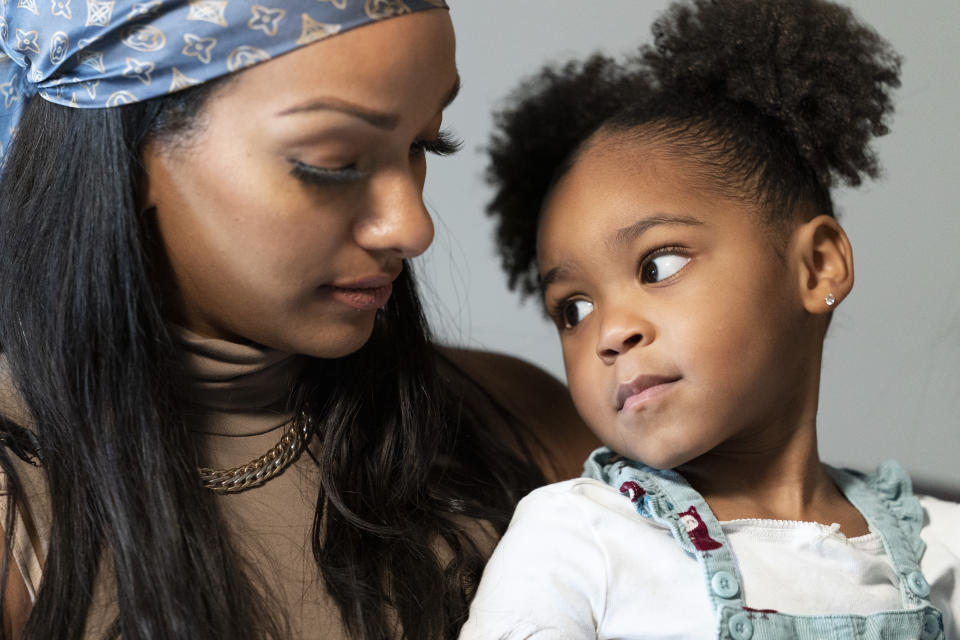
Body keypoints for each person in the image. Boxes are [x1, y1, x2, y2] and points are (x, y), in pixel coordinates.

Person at [0, 2, 597, 638]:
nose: (413, 227)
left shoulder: (529, 428)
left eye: (425, 143)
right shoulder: (19, 524)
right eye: (333, 161)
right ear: (130, 151)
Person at [460, 0, 960, 638]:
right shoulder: (576, 537)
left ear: (818, 267)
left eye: (659, 266)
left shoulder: (940, 548)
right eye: (574, 310)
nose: (611, 334)